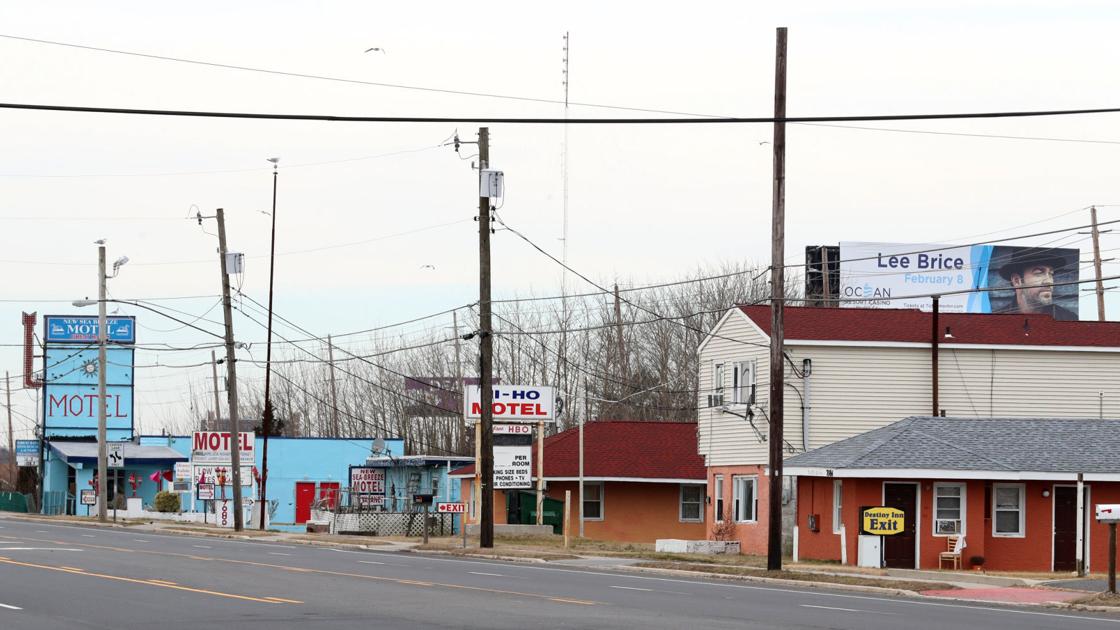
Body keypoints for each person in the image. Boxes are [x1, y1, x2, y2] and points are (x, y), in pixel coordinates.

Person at [996, 248, 1077, 320]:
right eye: (1039, 273)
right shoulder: (996, 321)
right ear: (1017, 281)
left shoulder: (1067, 319)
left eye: (1051, 273)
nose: (1049, 281)